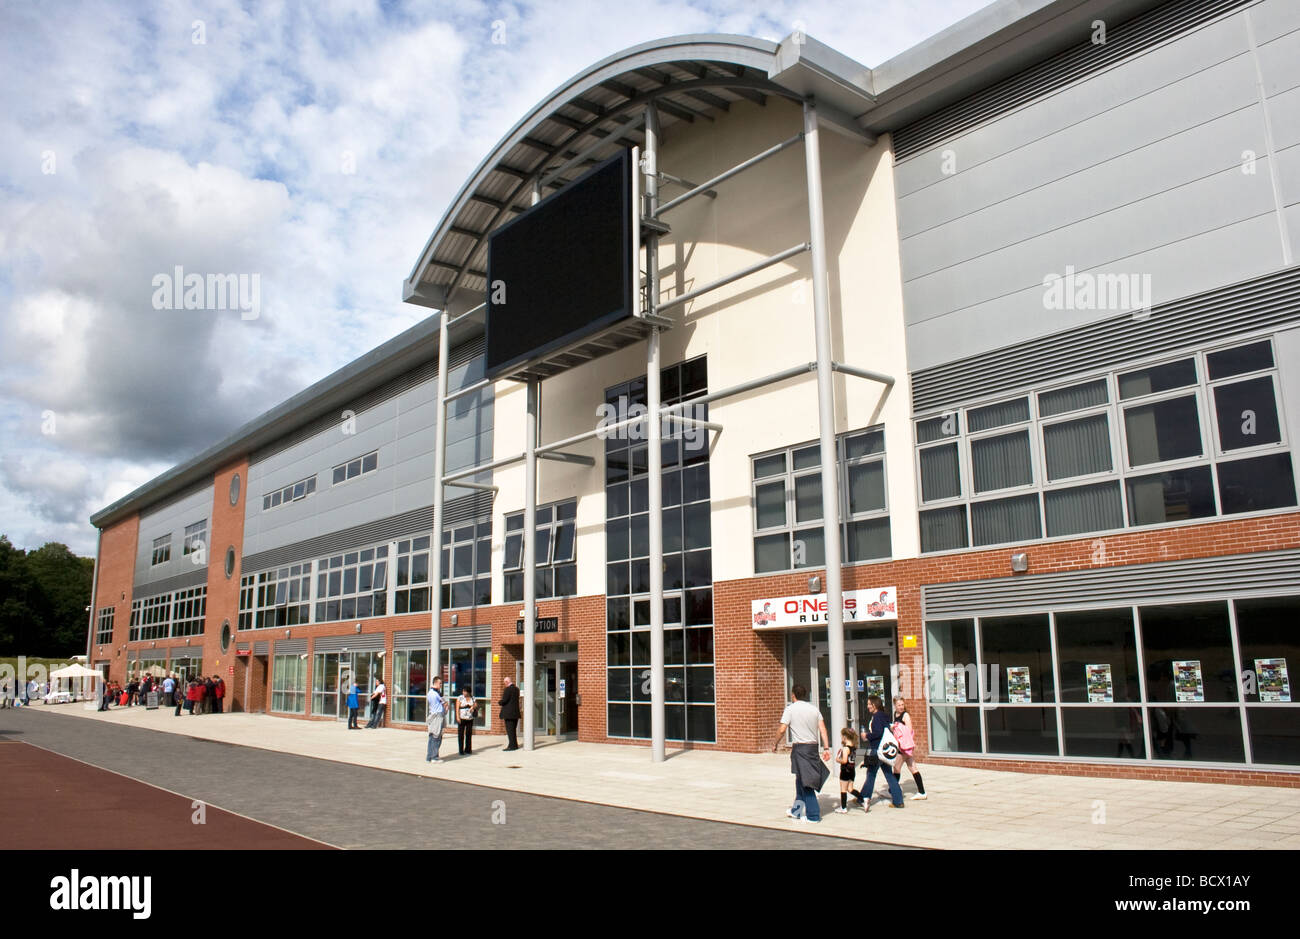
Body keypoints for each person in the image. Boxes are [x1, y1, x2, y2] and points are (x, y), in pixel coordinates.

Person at [772, 684, 831, 823]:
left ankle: (813, 815)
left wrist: (775, 743)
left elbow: (782, 729)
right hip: (813, 748)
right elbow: (823, 729)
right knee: (800, 780)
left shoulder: (790, 709)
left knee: (807, 783)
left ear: (793, 695)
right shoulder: (814, 709)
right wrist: (827, 748)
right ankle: (797, 811)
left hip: (800, 749)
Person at [852, 695, 905, 811]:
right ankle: (898, 800)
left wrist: (866, 736)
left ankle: (864, 798)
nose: (867, 707)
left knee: (871, 775)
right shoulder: (884, 715)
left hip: (877, 750)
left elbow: (878, 733)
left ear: (874, 705)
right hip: (885, 751)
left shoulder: (876, 717)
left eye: (869, 704)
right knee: (889, 775)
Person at [891, 696, 927, 800]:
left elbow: (909, 730)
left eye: (902, 704)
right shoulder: (896, 714)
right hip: (904, 746)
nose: (901, 707)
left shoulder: (905, 715)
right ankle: (922, 792)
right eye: (899, 705)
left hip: (904, 747)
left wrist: (902, 744)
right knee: (913, 768)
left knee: (896, 768)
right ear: (895, 706)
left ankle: (893, 791)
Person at [834, 727, 858, 813]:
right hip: (852, 770)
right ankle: (863, 799)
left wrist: (837, 759)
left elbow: (844, 761)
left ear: (845, 737)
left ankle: (843, 808)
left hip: (845, 771)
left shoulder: (845, 749)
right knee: (850, 789)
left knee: (843, 789)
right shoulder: (854, 747)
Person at [426, 677, 446, 762]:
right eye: (440, 683)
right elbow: (444, 703)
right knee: (436, 737)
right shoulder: (435, 694)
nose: (441, 685)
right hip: (437, 716)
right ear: (435, 683)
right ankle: (434, 757)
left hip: (434, 715)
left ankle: (429, 756)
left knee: (432, 736)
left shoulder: (430, 693)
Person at [498, 676, 521, 751]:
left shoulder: (508, 689)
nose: (504, 684)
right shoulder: (517, 689)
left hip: (509, 713)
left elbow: (504, 700)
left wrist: (500, 702)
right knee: (513, 730)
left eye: (505, 683)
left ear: (507, 682)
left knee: (510, 731)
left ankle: (512, 746)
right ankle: (514, 744)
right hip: (515, 713)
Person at [456, 686, 478, 755]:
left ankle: (468, 749)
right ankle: (461, 750)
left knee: (468, 734)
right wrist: (458, 717)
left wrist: (472, 707)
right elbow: (457, 708)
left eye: (465, 691)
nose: (463, 692)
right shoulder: (460, 698)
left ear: (468, 692)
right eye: (463, 691)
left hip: (470, 718)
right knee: (461, 735)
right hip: (462, 718)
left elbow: (476, 705)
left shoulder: (473, 698)